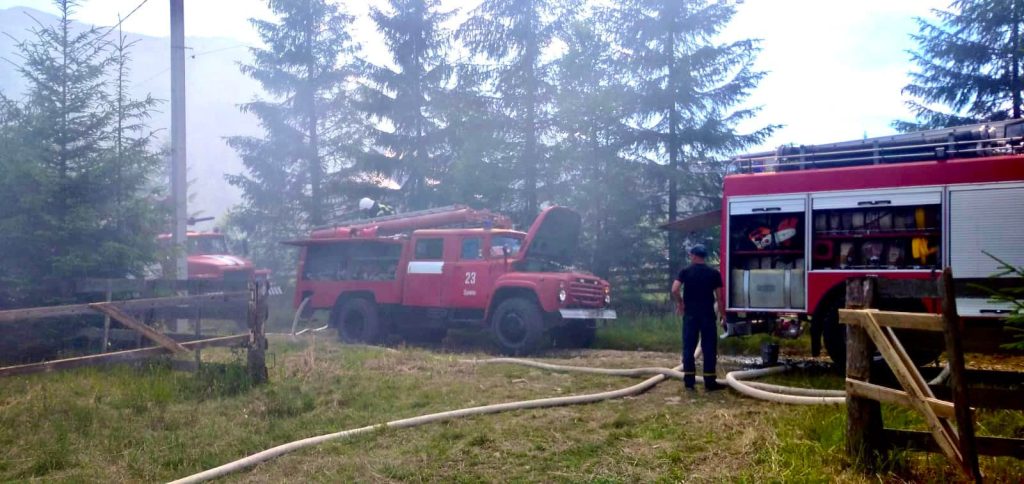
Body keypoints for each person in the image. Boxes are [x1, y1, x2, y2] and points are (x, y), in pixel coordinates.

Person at [670, 244, 725, 391]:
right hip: (707, 315)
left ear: (693, 256)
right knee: (709, 348)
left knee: (689, 348)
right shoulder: (714, 273)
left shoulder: (685, 272)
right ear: (704, 256)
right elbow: (719, 298)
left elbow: (674, 289)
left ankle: (689, 382)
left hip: (690, 315)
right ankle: (710, 382)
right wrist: (723, 316)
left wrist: (680, 303)